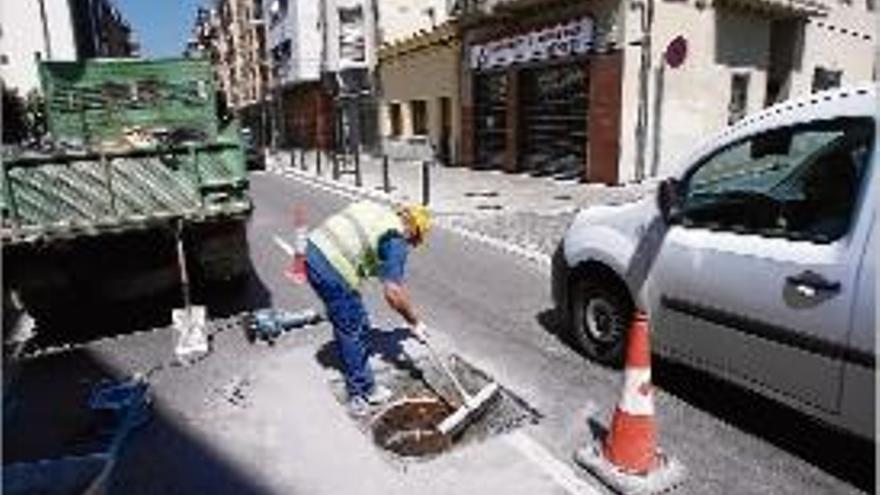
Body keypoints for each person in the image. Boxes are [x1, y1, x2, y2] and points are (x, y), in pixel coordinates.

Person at [306, 200, 431, 414]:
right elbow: (393, 293)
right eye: (416, 239)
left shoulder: (378, 211)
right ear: (412, 228)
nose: (412, 244)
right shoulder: (396, 239)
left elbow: (365, 246)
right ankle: (362, 392)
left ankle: (359, 377)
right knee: (352, 328)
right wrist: (414, 322)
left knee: (357, 320)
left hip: (312, 251)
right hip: (332, 267)